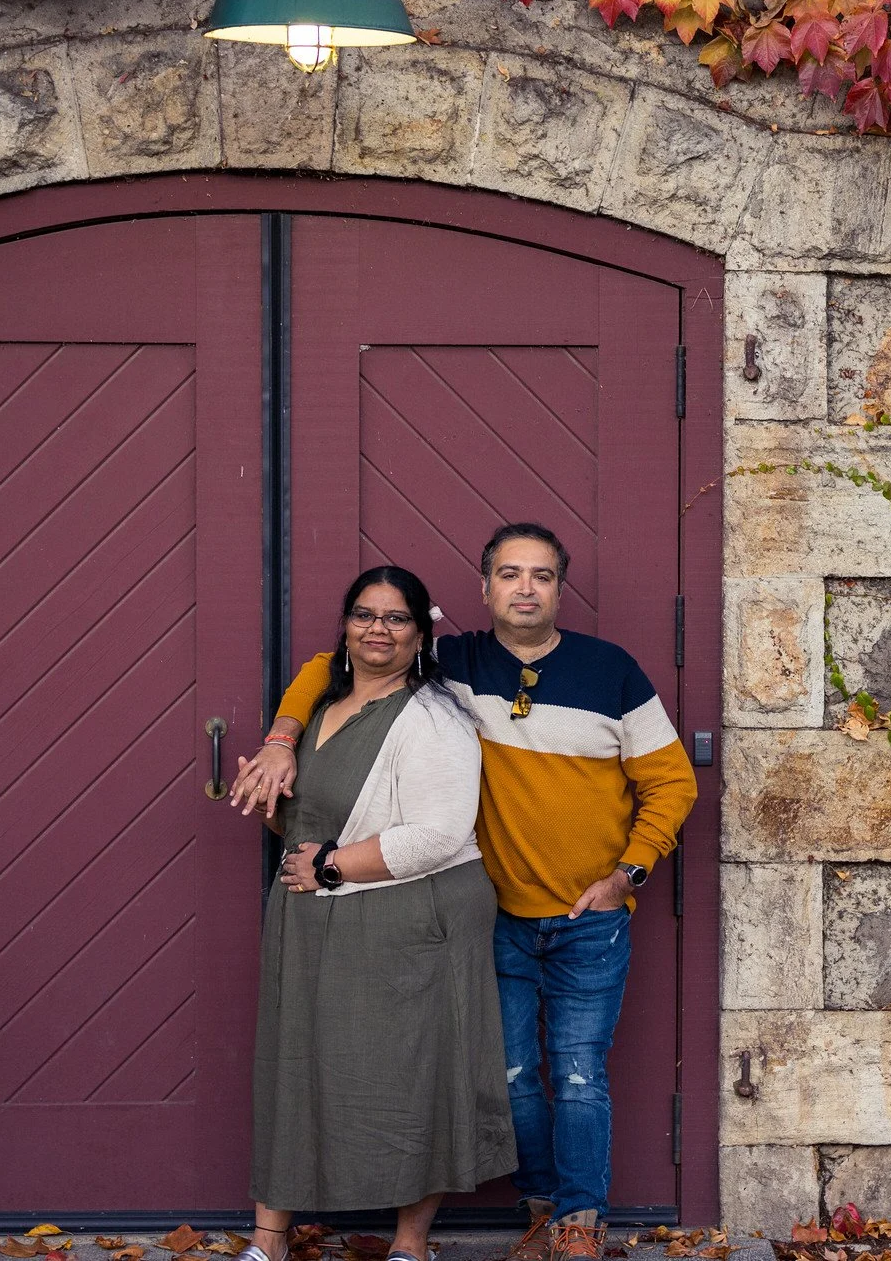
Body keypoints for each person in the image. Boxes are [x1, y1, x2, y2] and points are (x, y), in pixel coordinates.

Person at [230, 523, 697, 1261]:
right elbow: (332, 664)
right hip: (500, 913)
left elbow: (672, 781)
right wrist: (284, 735)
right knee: (508, 1077)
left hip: (587, 914)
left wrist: (628, 874)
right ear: (483, 589)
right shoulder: (452, 660)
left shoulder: (612, 670)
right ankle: (544, 1210)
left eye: (541, 575)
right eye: (509, 574)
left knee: (577, 1074)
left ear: (559, 588)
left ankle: (580, 1224)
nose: (525, 588)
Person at [233, 565, 515, 1261]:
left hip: (413, 916)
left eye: (396, 619)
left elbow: (438, 833)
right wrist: (270, 795)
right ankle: (268, 1241)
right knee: (293, 1067)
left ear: (421, 634)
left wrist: (327, 866)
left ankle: (410, 1244)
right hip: (312, 915)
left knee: (417, 1076)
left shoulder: (435, 716)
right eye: (365, 614)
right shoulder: (319, 708)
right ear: (345, 625)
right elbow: (306, 819)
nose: (378, 630)